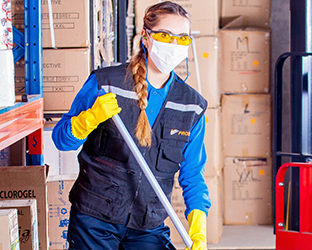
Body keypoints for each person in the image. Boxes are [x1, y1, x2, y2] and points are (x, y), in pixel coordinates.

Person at [51, 2, 211, 249]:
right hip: (94, 219)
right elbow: (61, 140)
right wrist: (89, 118)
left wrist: (198, 227)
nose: (174, 45)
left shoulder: (191, 106)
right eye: (165, 36)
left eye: (182, 38)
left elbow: (193, 175)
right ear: (146, 37)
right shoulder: (106, 83)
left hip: (147, 224)